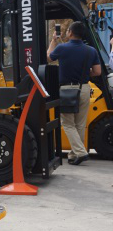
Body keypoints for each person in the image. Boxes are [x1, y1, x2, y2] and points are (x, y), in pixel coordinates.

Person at [47, 21, 101, 165]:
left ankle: (81, 152)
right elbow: (97, 72)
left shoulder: (62, 48)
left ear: (70, 32)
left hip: (67, 90)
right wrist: (84, 73)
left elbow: (48, 58)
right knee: (80, 124)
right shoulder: (91, 50)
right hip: (84, 89)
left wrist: (54, 40)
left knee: (68, 123)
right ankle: (74, 154)